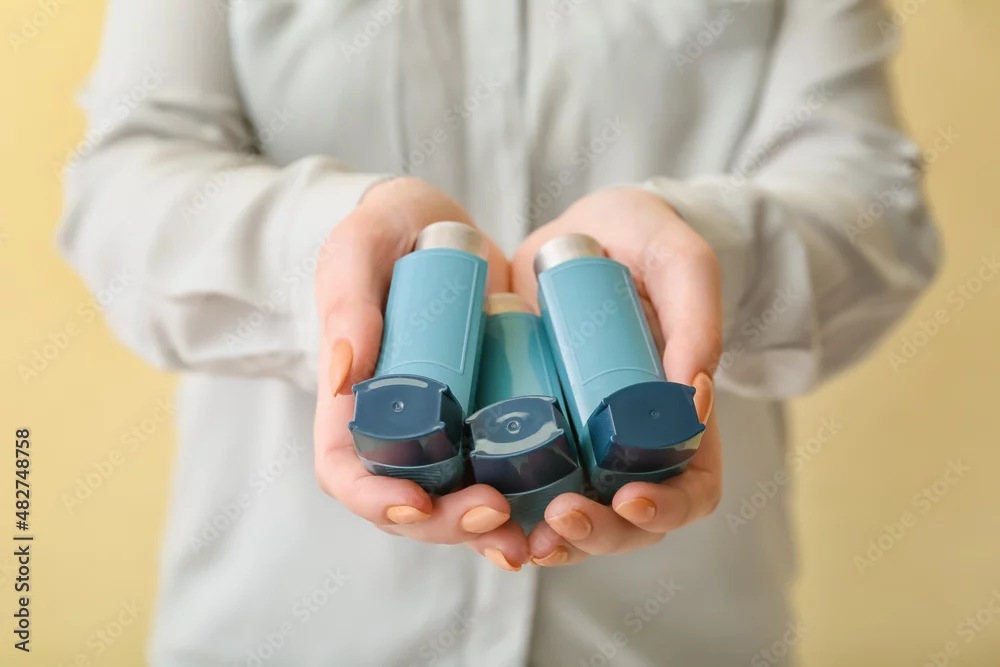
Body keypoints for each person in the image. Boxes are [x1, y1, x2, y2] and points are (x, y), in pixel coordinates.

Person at [58, 0, 940, 665]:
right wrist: (335, 254)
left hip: (673, 628)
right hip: (285, 625)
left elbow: (880, 210)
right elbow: (120, 195)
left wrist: (697, 250)